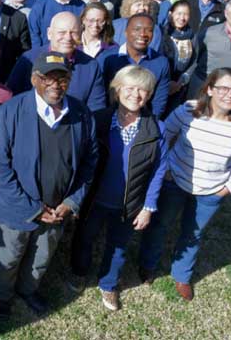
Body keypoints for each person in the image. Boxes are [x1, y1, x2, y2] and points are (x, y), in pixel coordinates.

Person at [0, 51, 97, 319]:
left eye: (62, 79)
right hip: (14, 209)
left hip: (57, 210)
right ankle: (1, 295)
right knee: (8, 258)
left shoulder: (81, 114)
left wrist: (71, 202)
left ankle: (28, 289)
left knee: (41, 257)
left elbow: (89, 162)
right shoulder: (11, 111)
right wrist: (33, 208)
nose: (56, 85)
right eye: (48, 78)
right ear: (35, 79)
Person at [139, 68, 231, 301]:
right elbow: (163, 137)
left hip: (212, 191)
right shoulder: (188, 111)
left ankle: (182, 275)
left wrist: (228, 187)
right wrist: (167, 171)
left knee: (193, 234)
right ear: (210, 89)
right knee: (160, 225)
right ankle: (147, 264)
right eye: (223, 88)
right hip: (176, 181)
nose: (230, 94)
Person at [68, 65, 168, 311]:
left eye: (143, 90)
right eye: (130, 88)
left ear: (150, 94)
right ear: (117, 90)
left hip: (129, 203)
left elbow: (159, 170)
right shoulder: (99, 120)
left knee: (118, 246)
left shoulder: (157, 129)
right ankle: (79, 272)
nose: (136, 94)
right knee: (84, 238)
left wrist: (148, 206)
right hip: (95, 199)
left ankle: (109, 283)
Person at [7, 11, 106, 113]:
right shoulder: (28, 60)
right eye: (62, 32)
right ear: (49, 33)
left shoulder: (90, 66)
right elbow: (12, 100)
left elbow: (96, 110)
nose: (68, 38)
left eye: (73, 32)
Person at [186, 0, 231, 99]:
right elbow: (195, 55)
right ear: (226, 13)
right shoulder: (209, 33)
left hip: (229, 89)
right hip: (202, 83)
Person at [100, 14, 171, 117]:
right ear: (126, 32)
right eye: (136, 29)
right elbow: (100, 96)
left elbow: (159, 103)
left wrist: (148, 126)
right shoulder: (108, 58)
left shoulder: (161, 62)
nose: (142, 34)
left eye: (148, 30)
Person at [160, 0, 196, 113]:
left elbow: (195, 60)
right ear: (171, 14)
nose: (182, 18)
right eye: (179, 13)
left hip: (180, 86)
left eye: (186, 14)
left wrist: (181, 82)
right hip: (162, 84)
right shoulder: (162, 33)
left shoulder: (191, 35)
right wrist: (168, 82)